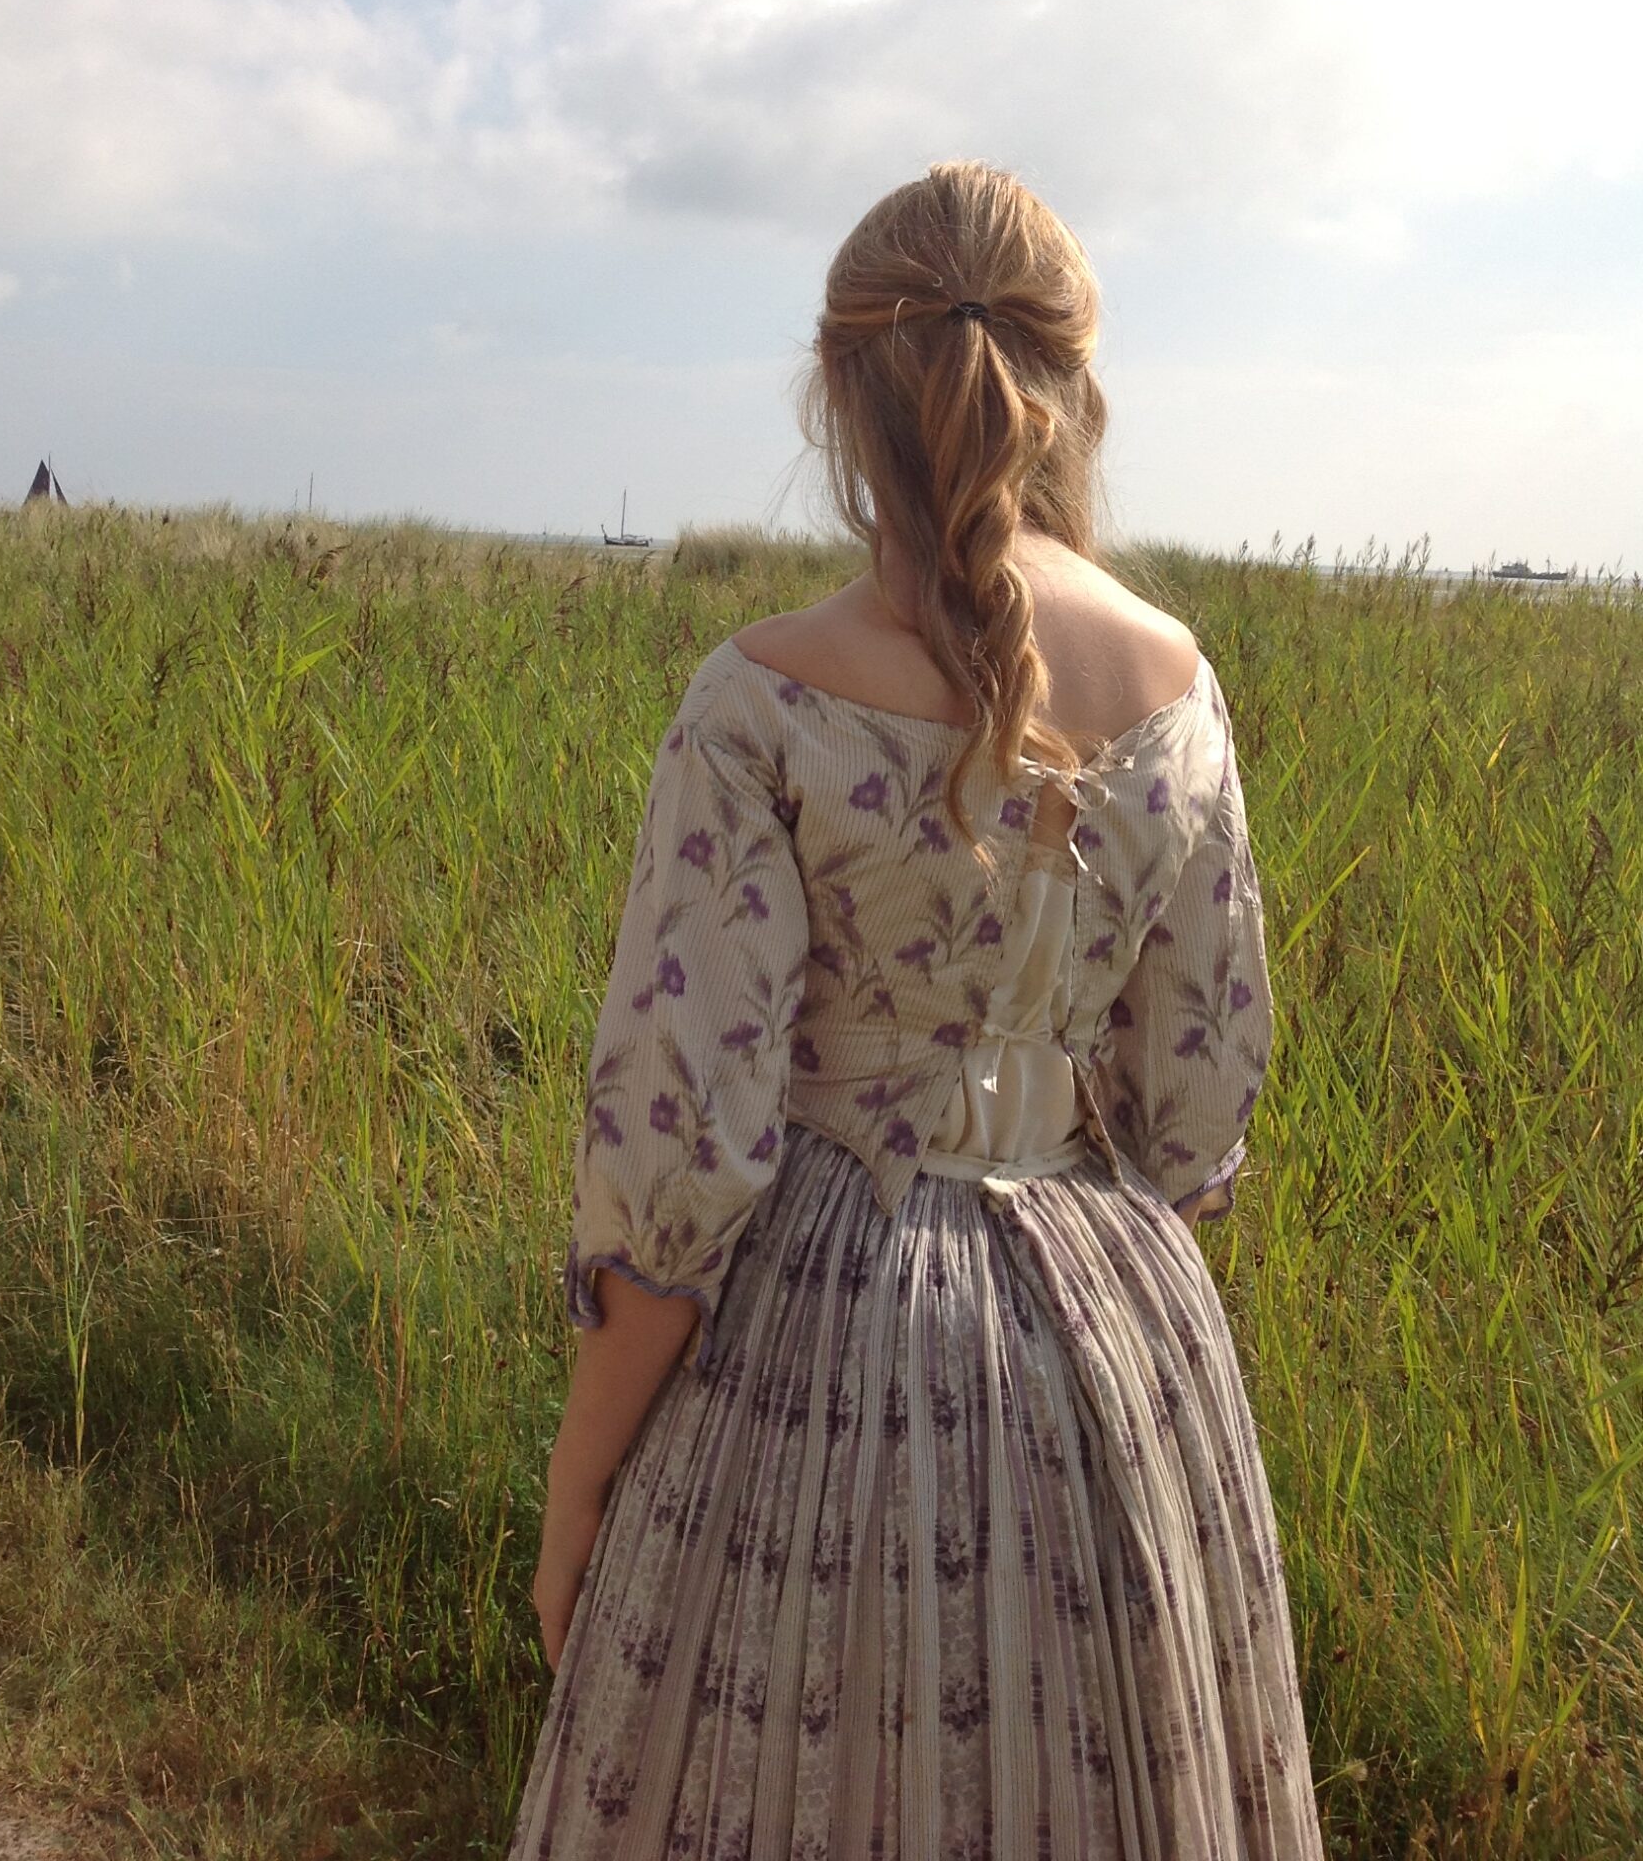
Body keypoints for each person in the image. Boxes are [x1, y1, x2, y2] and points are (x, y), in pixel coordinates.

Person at [507, 162, 1327, 1858]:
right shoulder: (1179, 689)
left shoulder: (759, 698)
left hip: (814, 1331)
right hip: (1119, 1347)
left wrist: (580, 1489)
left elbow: (685, 1152)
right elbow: (1190, 1113)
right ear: (1072, 392)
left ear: (837, 392)